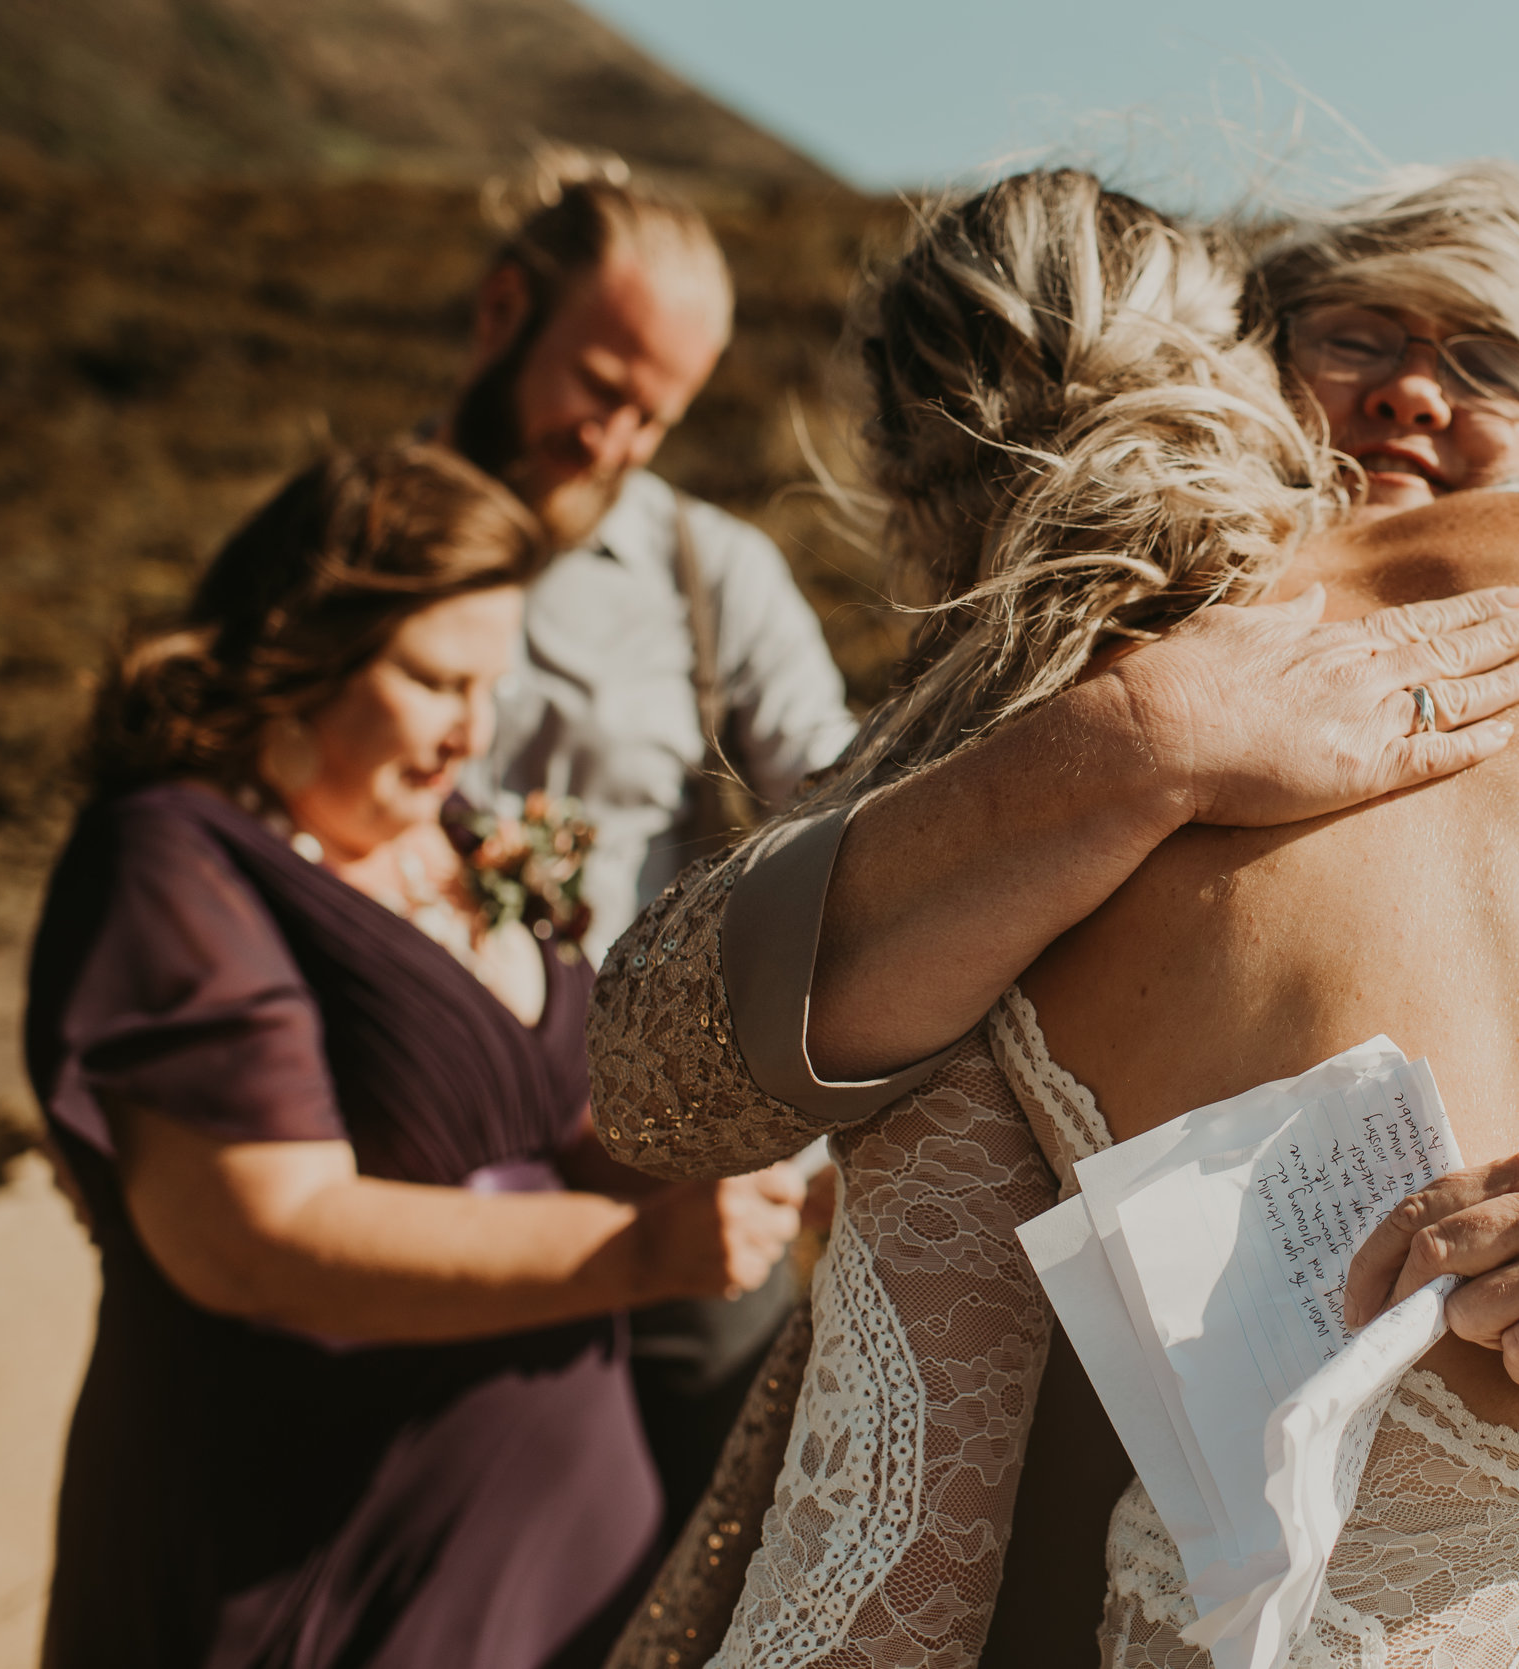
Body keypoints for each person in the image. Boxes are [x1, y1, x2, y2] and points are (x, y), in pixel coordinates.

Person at [594, 166, 1519, 1667]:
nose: (1417, 394)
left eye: (1490, 361)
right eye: (1355, 336)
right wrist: (1135, 743)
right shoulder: (1024, 754)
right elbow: (668, 1056)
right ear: (1238, 371)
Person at [24, 446, 808, 1669]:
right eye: (439, 682)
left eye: (490, 686)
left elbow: (526, 1121)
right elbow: (258, 1237)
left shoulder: (443, 834)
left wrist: (686, 1160)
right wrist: (640, 1249)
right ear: (306, 648)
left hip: (555, 1560)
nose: (471, 736)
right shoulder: (172, 864)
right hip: (316, 1546)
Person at [439, 150, 861, 1539]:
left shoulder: (711, 571)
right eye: (600, 389)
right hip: (426, 1149)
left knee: (708, 1539)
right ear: (506, 310)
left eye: (655, 415)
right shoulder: (367, 540)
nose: (615, 441)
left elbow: (841, 802)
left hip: (665, 1160)